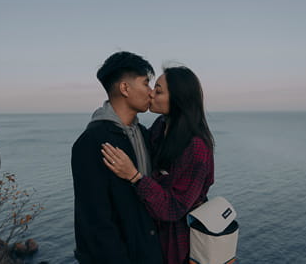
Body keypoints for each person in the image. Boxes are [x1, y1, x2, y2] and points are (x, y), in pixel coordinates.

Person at [102, 66, 215, 264]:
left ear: (179, 98)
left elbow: (174, 208)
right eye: (153, 87)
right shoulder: (160, 127)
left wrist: (134, 176)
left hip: (180, 245)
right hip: (154, 236)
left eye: (159, 90)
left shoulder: (196, 148)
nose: (151, 93)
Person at [71, 51, 163, 264]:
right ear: (124, 88)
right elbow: (95, 223)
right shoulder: (91, 142)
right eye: (145, 83)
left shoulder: (144, 133)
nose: (151, 92)